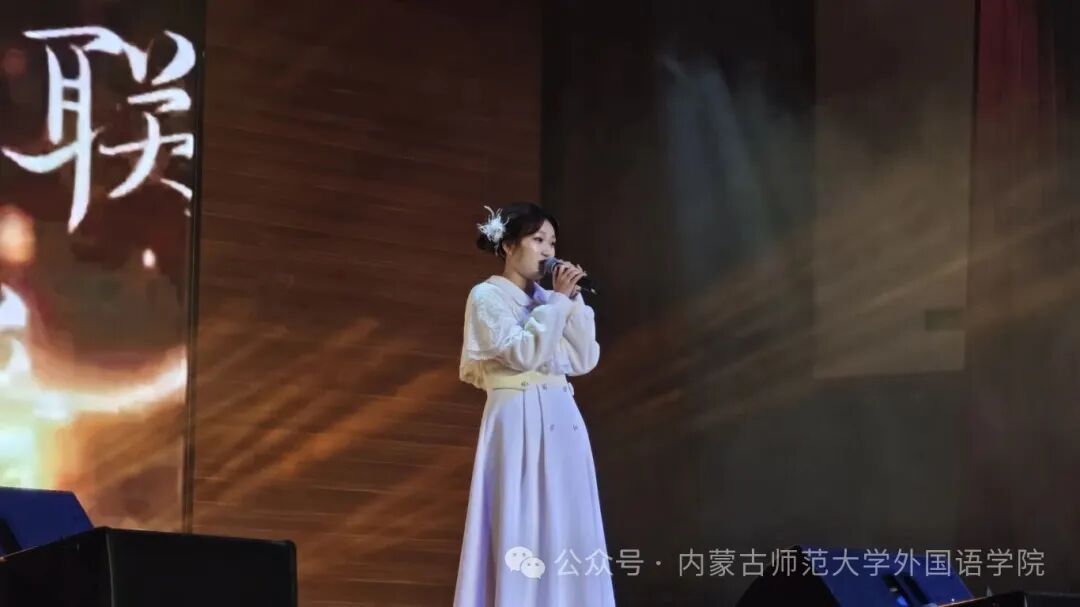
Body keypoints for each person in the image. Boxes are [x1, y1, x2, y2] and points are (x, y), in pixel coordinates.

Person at [453, 203, 616, 606]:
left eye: (553, 243)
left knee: (568, 528)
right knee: (521, 525)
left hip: (563, 421)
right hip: (517, 419)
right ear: (509, 246)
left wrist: (572, 302)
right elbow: (523, 353)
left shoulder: (550, 300)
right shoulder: (487, 296)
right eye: (538, 239)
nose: (548, 251)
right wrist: (557, 304)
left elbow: (583, 359)